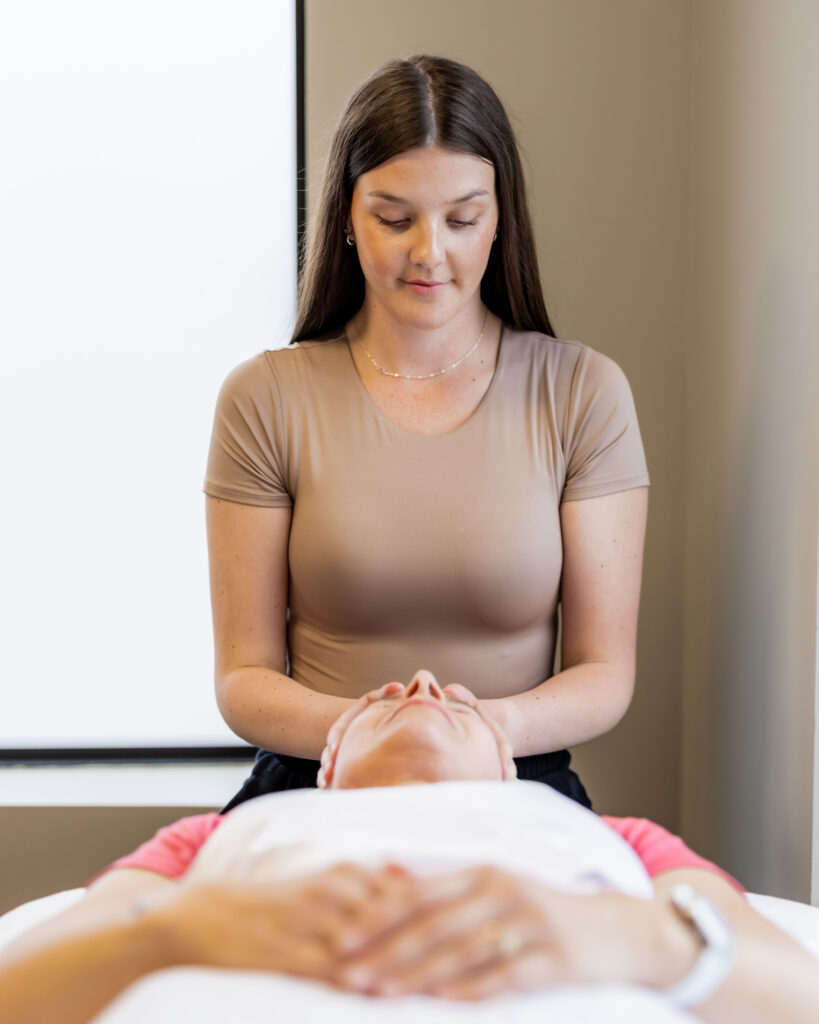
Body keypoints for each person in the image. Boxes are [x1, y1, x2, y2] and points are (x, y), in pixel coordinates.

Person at [205, 54, 650, 812]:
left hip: (514, 782)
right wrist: (385, 739)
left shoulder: (582, 393)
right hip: (315, 785)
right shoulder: (265, 398)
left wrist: (471, 736)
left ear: (499, 216)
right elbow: (243, 679)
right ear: (347, 215)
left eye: (462, 218)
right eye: (393, 217)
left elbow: (603, 673)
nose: (428, 252)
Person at [2, 671, 817, 1024]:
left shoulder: (614, 842)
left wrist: (632, 937)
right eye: (378, 700)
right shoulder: (217, 839)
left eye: (460, 704)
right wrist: (174, 933)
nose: (421, 683)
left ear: (508, 767)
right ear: (325, 771)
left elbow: (792, 993)